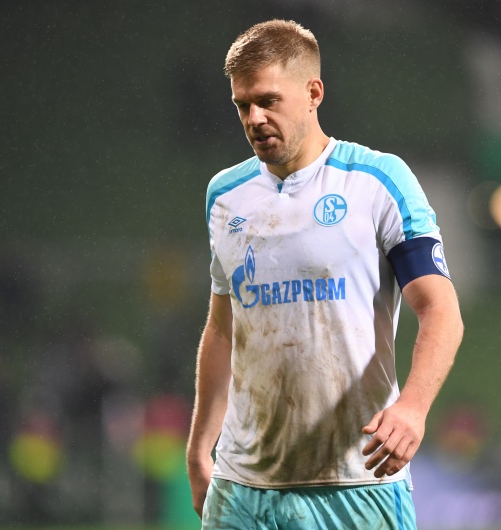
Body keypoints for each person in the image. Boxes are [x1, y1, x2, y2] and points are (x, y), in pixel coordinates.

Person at [186, 19, 464, 530]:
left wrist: (413, 408)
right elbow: (224, 328)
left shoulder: (378, 181)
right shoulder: (225, 195)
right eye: (242, 105)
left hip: (356, 481)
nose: (254, 118)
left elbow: (440, 309)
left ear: (313, 93)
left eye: (268, 101)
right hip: (242, 486)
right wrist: (200, 445)